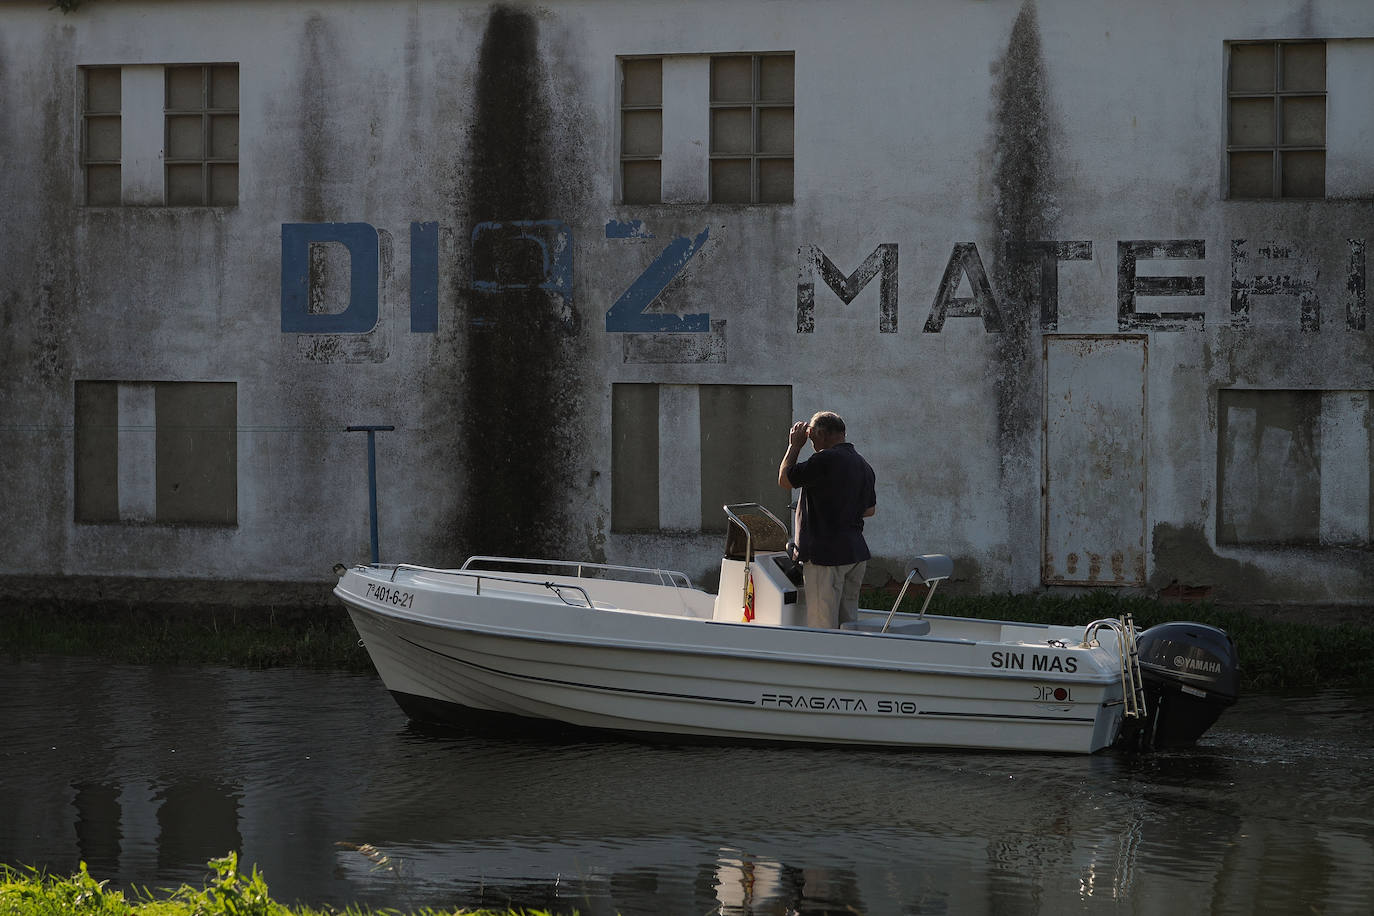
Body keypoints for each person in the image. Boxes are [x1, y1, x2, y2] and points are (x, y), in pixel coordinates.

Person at [777, 411, 876, 628]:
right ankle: (848, 660)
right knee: (848, 623)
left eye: (811, 438)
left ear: (821, 433)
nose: (810, 442)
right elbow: (869, 510)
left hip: (826, 556)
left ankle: (823, 660)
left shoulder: (824, 459)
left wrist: (794, 446)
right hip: (855, 554)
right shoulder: (862, 464)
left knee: (823, 624)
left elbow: (785, 480)